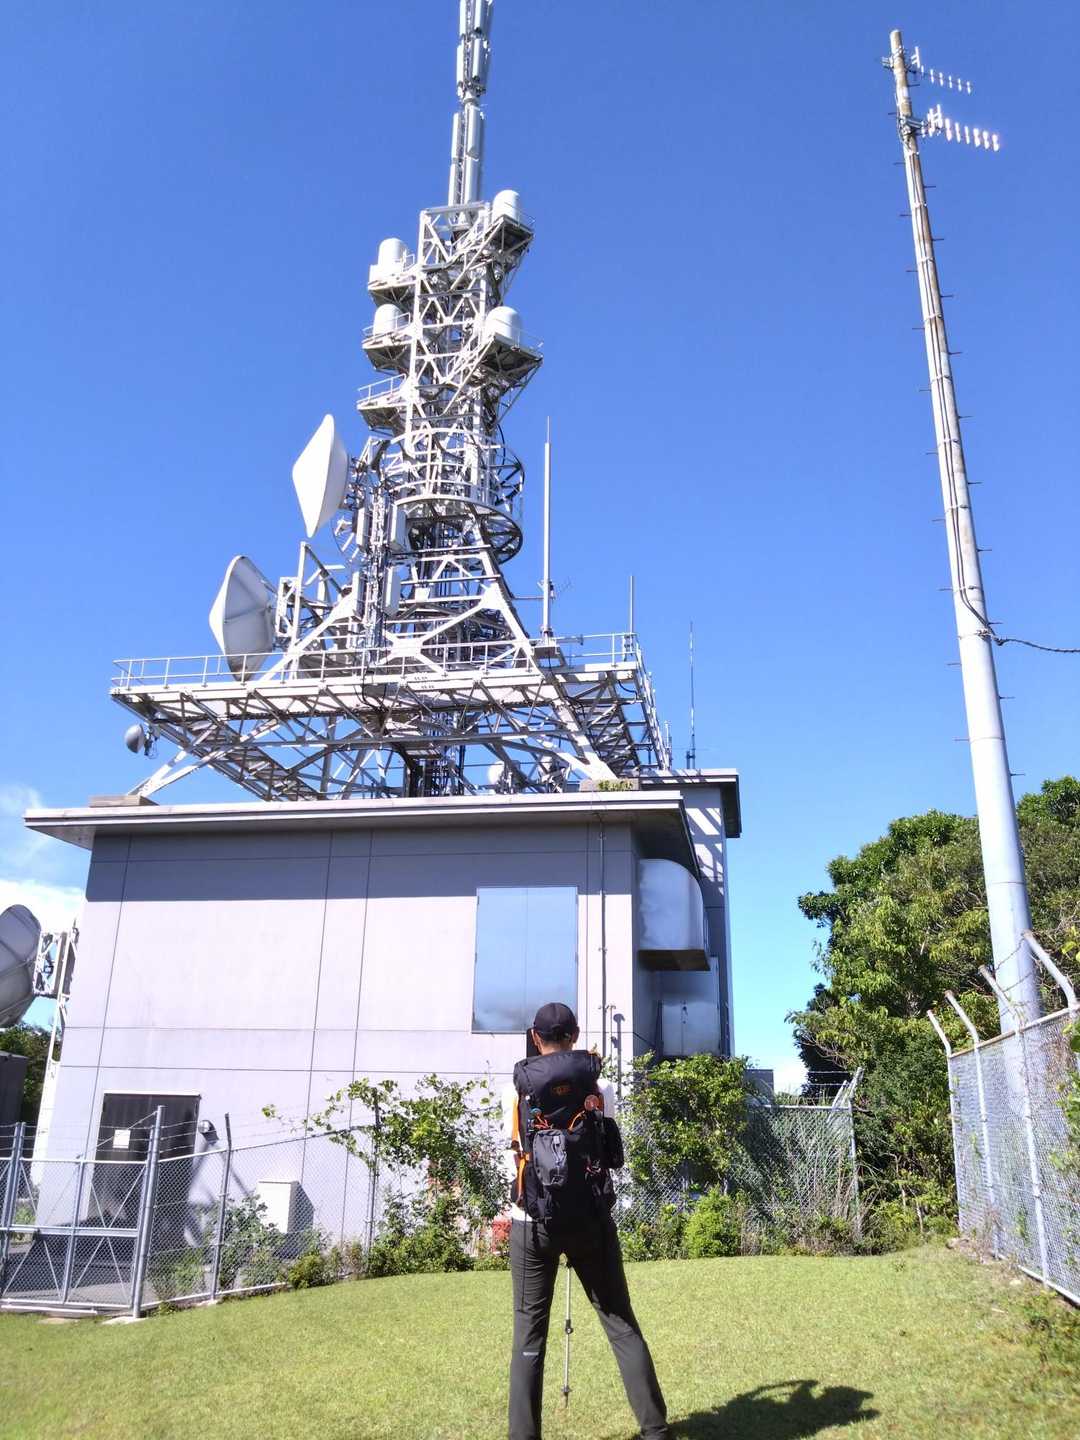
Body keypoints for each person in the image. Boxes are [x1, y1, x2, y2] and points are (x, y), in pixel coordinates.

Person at [503, 1001, 669, 1440]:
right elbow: (607, 1147)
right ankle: (655, 1431)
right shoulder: (601, 1086)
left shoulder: (516, 1090)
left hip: (532, 1224)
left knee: (528, 1338)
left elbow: (514, 1153)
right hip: (591, 1221)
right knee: (621, 1325)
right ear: (575, 1036)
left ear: (535, 1038)